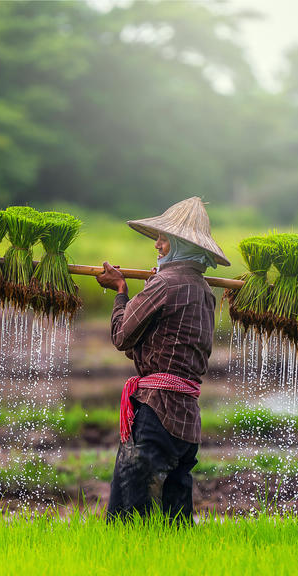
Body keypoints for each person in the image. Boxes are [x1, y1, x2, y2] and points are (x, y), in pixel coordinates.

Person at [95, 197, 231, 522]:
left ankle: (129, 564)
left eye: (164, 239)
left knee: (128, 511)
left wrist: (119, 291)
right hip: (186, 420)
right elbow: (153, 346)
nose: (157, 244)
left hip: (157, 411)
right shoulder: (203, 290)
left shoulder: (164, 284)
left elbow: (121, 337)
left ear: (181, 245)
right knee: (174, 516)